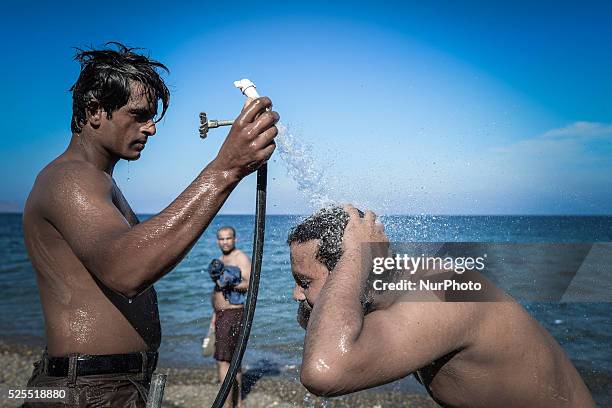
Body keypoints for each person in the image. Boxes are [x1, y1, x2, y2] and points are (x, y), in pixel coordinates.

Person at [21, 42, 278, 407]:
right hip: (87, 391)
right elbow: (127, 269)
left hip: (106, 386)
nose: (152, 128)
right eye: (140, 115)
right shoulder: (69, 179)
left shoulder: (96, 182)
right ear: (95, 111)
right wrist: (226, 169)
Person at [287, 205, 595, 408]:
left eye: (303, 281)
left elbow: (322, 373)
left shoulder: (437, 296)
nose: (295, 295)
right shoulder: (391, 285)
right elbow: (321, 324)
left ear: (353, 271)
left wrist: (356, 254)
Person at [208, 226, 251, 408]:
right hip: (221, 315)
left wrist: (230, 280)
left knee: (224, 361)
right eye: (221, 238)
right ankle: (237, 403)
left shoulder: (239, 257)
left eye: (228, 238)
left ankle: (227, 405)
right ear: (217, 241)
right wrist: (214, 316)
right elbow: (218, 289)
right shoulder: (220, 259)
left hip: (233, 314)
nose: (225, 241)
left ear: (235, 239)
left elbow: (250, 283)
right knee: (232, 361)